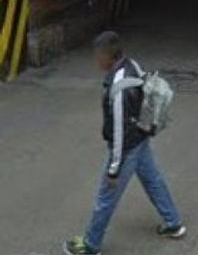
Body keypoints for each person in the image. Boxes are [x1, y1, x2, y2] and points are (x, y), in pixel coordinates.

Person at [64, 31, 186, 255]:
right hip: (140, 138)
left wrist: (114, 169)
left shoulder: (119, 86)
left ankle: (91, 245)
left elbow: (119, 132)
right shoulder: (132, 65)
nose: (96, 60)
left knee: (106, 197)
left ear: (107, 56)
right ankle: (173, 223)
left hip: (127, 147)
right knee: (154, 181)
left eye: (97, 56)